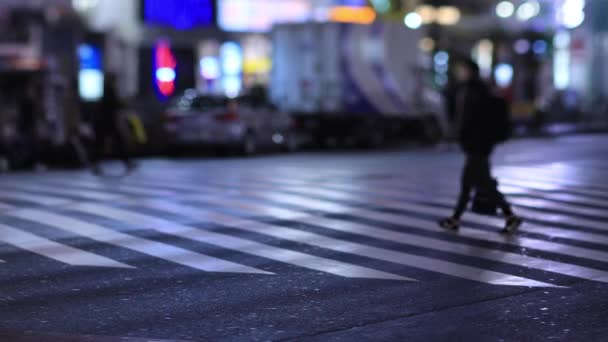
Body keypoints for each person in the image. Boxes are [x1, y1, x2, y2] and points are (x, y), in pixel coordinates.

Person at [438, 59, 523, 234]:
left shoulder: (476, 91)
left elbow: (474, 121)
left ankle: (510, 216)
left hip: (478, 146)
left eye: (461, 69)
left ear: (469, 71)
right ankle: (455, 219)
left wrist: (469, 139)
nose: (458, 73)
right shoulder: (467, 89)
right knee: (471, 184)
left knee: (481, 185)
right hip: (475, 145)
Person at [91, 74, 136, 174]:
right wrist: (125, 103)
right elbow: (115, 104)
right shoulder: (109, 90)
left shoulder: (106, 89)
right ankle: (127, 162)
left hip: (105, 122)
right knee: (114, 143)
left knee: (106, 143)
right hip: (106, 122)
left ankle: (126, 162)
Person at [17, 82, 45, 171]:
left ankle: (30, 163)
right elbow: (30, 116)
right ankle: (30, 163)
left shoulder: (27, 102)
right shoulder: (28, 103)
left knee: (29, 146)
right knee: (30, 146)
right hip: (27, 127)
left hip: (26, 127)